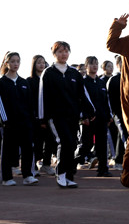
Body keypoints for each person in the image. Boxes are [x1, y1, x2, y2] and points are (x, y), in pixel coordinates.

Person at [38, 41, 95, 188]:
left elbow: (83, 94)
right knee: (64, 142)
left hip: (73, 116)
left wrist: (89, 112)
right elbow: (42, 96)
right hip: (55, 116)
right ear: (54, 54)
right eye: (60, 51)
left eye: (66, 51)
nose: (63, 54)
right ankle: (61, 173)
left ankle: (69, 176)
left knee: (72, 144)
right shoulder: (48, 73)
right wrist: (42, 117)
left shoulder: (74, 73)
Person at [0, 52, 38, 186]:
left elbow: (30, 103)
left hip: (25, 122)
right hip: (9, 124)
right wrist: (4, 121)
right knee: (8, 150)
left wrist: (32, 119)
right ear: (7, 63)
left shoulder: (23, 82)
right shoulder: (1, 82)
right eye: (12, 61)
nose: (15, 64)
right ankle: (7, 178)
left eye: (17, 61)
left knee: (27, 149)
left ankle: (27, 175)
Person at [28, 55, 56, 176]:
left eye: (43, 63)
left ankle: (46, 164)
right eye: (39, 63)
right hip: (34, 117)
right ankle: (33, 165)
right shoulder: (29, 81)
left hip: (48, 115)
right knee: (36, 142)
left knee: (50, 140)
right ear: (34, 65)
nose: (41, 65)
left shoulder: (48, 79)